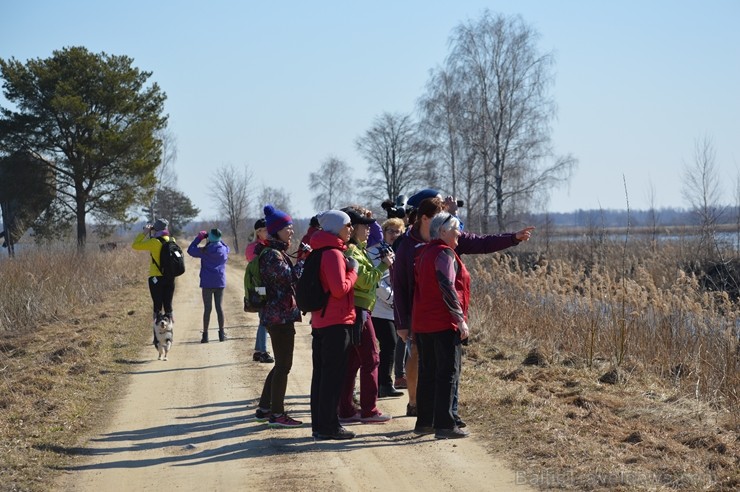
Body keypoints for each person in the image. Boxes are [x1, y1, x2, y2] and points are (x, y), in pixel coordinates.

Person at [393, 190, 534, 423]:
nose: (446, 215)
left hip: (441, 316)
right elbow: (401, 285)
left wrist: (513, 238)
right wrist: (402, 322)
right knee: (430, 364)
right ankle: (419, 406)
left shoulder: (448, 240)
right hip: (422, 316)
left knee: (447, 369)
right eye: (441, 212)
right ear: (426, 218)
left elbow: (482, 242)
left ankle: (447, 413)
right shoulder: (409, 245)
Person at [412, 212, 471, 439]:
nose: (459, 233)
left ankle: (425, 422)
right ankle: (445, 425)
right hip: (442, 322)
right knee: (447, 372)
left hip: (424, 322)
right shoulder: (444, 254)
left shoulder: (425, 252)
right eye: (456, 229)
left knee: (428, 372)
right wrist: (459, 319)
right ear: (443, 231)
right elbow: (447, 287)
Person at [337, 206, 394, 424]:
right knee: (372, 358)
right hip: (360, 310)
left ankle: (346, 409)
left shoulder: (358, 249)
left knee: (352, 361)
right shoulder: (353, 252)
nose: (368, 231)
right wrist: (382, 266)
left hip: (360, 309)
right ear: (353, 228)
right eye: (364, 226)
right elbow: (364, 281)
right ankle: (369, 409)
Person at [308, 210, 359, 440]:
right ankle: (330, 426)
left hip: (321, 320)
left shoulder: (320, 250)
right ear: (337, 227)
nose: (351, 229)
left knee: (321, 376)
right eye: (348, 225)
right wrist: (354, 272)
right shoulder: (333, 254)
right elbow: (339, 289)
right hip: (336, 322)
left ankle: (320, 425)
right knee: (332, 377)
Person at [254, 205, 303, 428]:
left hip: (277, 316)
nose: (291, 231)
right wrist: (304, 261)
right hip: (279, 317)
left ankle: (265, 409)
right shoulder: (272, 255)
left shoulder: (275, 252)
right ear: (276, 231)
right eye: (287, 228)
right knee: (284, 365)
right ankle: (277, 414)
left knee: (280, 365)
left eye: (292, 227)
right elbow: (289, 279)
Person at [368, 217, 406, 398]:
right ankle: (383, 383)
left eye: (397, 231)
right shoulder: (376, 251)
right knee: (389, 343)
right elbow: (378, 283)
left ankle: (381, 383)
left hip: (390, 309)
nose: (393, 234)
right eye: (390, 230)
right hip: (378, 307)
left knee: (390, 344)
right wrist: (392, 298)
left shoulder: (393, 251)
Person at [132, 218, 178, 349]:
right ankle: (169, 336)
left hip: (155, 279)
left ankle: (156, 338)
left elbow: (135, 245)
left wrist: (145, 232)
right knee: (168, 307)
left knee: (157, 308)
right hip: (170, 278)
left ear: (155, 229)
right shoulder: (172, 240)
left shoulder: (153, 242)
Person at [187, 228, 230, 343]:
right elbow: (227, 247)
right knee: (219, 307)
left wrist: (200, 238)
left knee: (207, 308)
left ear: (209, 238)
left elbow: (190, 250)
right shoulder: (224, 249)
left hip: (207, 282)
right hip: (219, 282)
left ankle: (205, 335)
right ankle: (221, 334)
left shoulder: (205, 250)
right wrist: (218, 239)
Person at [245, 218, 274, 363]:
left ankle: (258, 350)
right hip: (260, 287)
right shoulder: (254, 248)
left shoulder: (264, 246)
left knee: (264, 318)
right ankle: (262, 351)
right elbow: (258, 269)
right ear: (258, 232)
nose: (269, 232)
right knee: (265, 320)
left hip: (264, 286)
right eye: (266, 229)